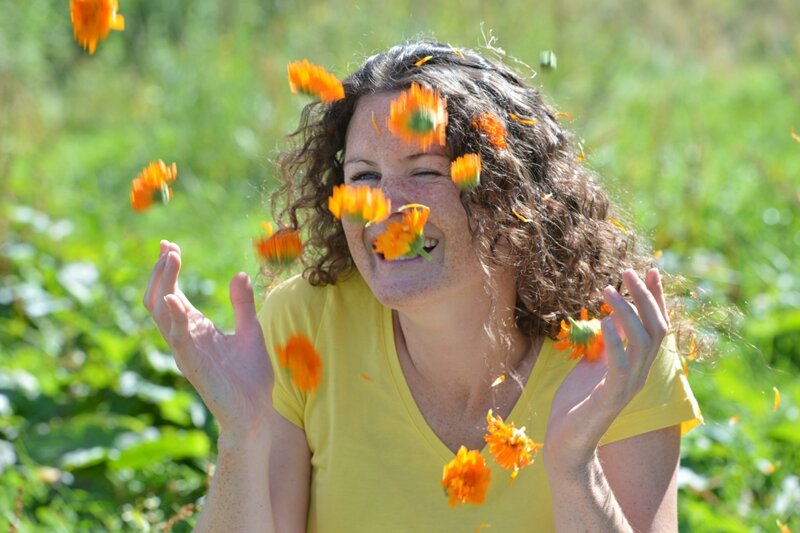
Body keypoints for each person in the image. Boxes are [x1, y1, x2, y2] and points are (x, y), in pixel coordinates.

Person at [143, 40, 701, 532]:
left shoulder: (615, 347)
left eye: (426, 171)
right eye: (363, 176)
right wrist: (242, 437)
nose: (382, 207)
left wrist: (575, 466)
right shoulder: (305, 326)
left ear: (510, 194)